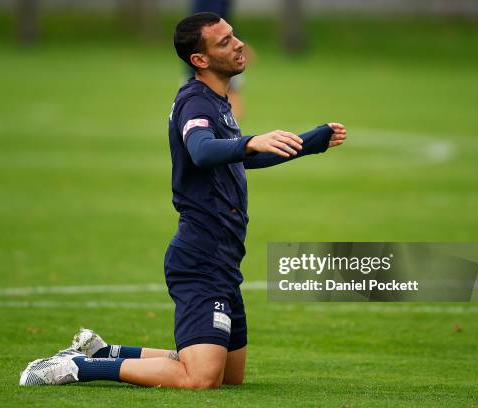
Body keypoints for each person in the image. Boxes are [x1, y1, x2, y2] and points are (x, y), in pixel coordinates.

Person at [19, 12, 347, 389]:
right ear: (200, 60)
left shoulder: (218, 101)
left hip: (224, 259)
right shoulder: (195, 102)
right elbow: (203, 151)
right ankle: (76, 368)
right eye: (224, 42)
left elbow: (236, 157)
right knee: (201, 378)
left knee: (229, 376)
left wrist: (307, 143)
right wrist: (249, 141)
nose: (238, 43)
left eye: (233, 35)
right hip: (200, 257)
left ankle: (105, 352)